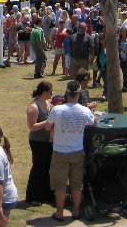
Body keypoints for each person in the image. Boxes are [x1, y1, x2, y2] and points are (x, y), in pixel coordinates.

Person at [46, 80, 96, 221]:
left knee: (60, 184)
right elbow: (93, 122)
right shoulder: (85, 110)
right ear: (79, 94)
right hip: (78, 150)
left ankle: (60, 212)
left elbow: (48, 127)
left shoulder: (57, 110)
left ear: (66, 93)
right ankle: (75, 211)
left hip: (60, 151)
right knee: (77, 183)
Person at [25, 80, 54, 207]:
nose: (52, 94)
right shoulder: (34, 106)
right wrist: (47, 122)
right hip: (37, 142)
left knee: (47, 168)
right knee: (38, 168)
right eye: (50, 92)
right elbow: (32, 127)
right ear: (43, 92)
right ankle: (33, 196)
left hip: (48, 141)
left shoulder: (48, 103)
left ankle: (46, 193)